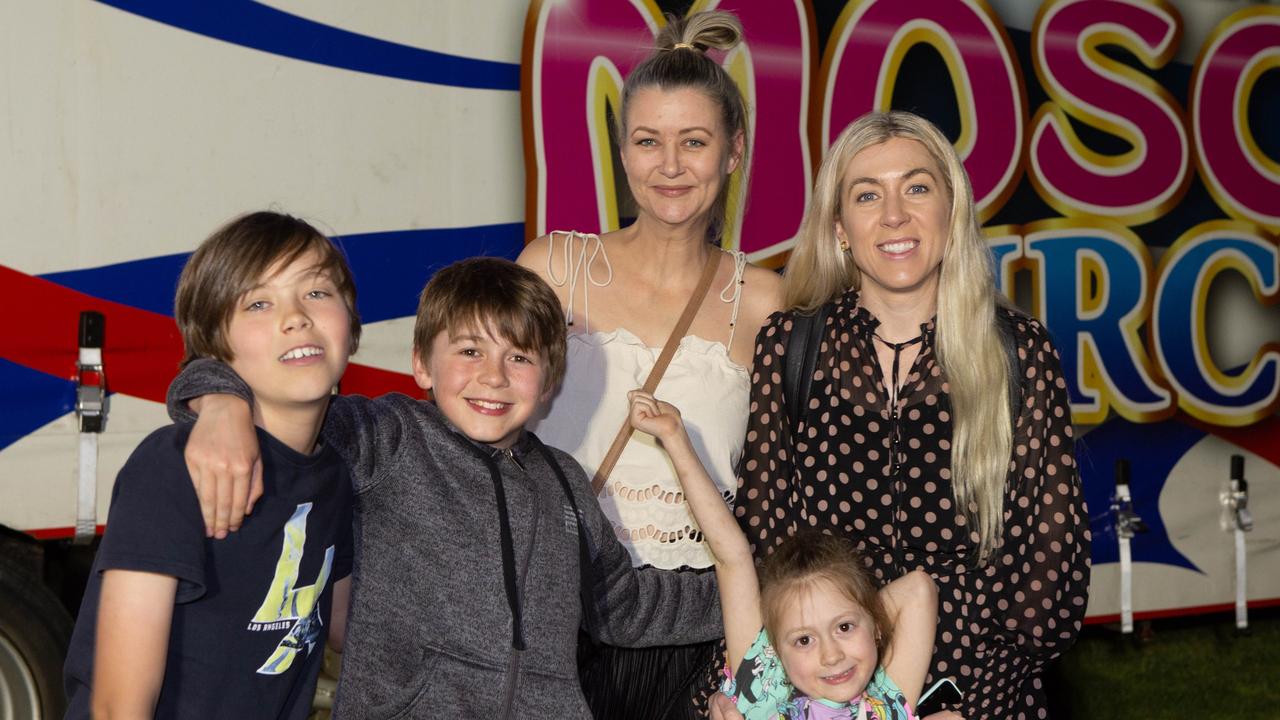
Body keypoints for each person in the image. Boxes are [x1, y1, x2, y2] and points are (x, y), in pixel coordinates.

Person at [166, 257, 723, 718]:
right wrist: (220, 405)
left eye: (520, 357)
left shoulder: (563, 481)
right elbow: (268, 392)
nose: (494, 376)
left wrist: (758, 593)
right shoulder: (388, 437)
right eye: (470, 351)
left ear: (550, 380)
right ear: (421, 364)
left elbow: (623, 608)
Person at [734, 111, 1090, 719]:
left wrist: (980, 696)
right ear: (840, 227)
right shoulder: (792, 344)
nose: (894, 214)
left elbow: (1052, 551)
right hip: (829, 684)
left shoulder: (1019, 351)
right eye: (867, 194)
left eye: (917, 188)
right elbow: (763, 530)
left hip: (983, 685)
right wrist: (768, 685)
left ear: (951, 213)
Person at [516, 10, 782, 717]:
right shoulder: (552, 270)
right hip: (551, 623)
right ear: (623, 153)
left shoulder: (765, 302)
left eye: (693, 142)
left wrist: (752, 670)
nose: (669, 166)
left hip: (694, 641)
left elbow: (785, 499)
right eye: (647, 141)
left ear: (733, 153)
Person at [62, 211, 357, 719]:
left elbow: (348, 626)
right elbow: (117, 707)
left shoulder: (339, 471)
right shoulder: (174, 469)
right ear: (215, 350)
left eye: (316, 292)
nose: (296, 317)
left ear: (352, 326)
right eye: (259, 304)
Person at [627, 389, 946, 720]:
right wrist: (675, 439)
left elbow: (919, 588)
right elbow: (730, 555)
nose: (832, 655)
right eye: (804, 640)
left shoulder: (883, 703)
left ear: (877, 628)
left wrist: (858, 615)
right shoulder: (763, 684)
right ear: (776, 651)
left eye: (845, 628)